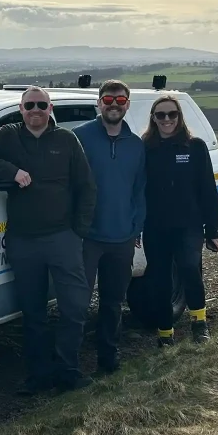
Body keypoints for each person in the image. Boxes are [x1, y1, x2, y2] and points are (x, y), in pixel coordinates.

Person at [0, 85, 98, 394]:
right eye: (29, 105)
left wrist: (79, 230)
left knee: (73, 308)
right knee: (33, 313)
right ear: (21, 110)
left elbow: (86, 187)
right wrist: (12, 171)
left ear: (51, 110)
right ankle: (38, 376)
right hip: (23, 241)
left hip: (63, 238)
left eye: (41, 105)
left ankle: (68, 373)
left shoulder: (66, 140)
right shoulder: (8, 136)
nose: (35, 110)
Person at [73, 79, 145, 374]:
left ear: (128, 104)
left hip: (122, 238)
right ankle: (70, 364)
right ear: (98, 103)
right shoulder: (79, 137)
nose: (114, 105)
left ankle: (108, 358)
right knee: (77, 302)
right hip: (87, 238)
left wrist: (136, 227)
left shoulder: (136, 145)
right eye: (108, 100)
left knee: (113, 302)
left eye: (120, 101)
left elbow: (140, 190)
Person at [141, 94, 218, 347]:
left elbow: (207, 190)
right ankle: (165, 332)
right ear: (153, 118)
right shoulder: (144, 148)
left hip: (189, 225)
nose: (167, 120)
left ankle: (199, 322)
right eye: (161, 115)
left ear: (179, 117)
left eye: (172, 114)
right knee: (161, 279)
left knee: (189, 268)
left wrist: (212, 230)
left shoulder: (194, 146)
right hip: (155, 227)